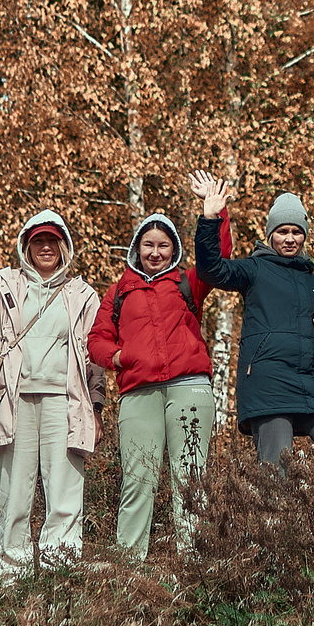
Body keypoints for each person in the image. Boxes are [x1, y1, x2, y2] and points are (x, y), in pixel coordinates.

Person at [0, 202, 104, 581]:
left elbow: (94, 356)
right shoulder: (5, 283)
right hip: (14, 404)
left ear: (64, 247)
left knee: (64, 496)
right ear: (26, 247)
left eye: (53, 240)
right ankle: (14, 583)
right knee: (14, 496)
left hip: (65, 404)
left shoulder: (82, 294)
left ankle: (59, 580)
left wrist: (96, 408)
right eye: (38, 240)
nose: (46, 247)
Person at [190, 172, 314, 477]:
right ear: (271, 234)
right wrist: (209, 218)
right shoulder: (255, 269)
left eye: (296, 232)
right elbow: (211, 270)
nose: (290, 238)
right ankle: (275, 514)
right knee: (276, 471)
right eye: (282, 231)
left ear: (304, 235)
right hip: (269, 384)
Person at [86, 211, 215, 559]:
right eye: (148, 245)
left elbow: (215, 255)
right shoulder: (118, 292)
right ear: (136, 248)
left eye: (163, 245)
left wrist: (213, 215)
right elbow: (96, 339)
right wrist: (118, 357)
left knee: (190, 478)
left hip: (189, 387)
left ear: (174, 249)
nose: (155, 253)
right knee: (138, 480)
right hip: (138, 391)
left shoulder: (188, 282)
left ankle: (195, 565)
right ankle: (130, 570)